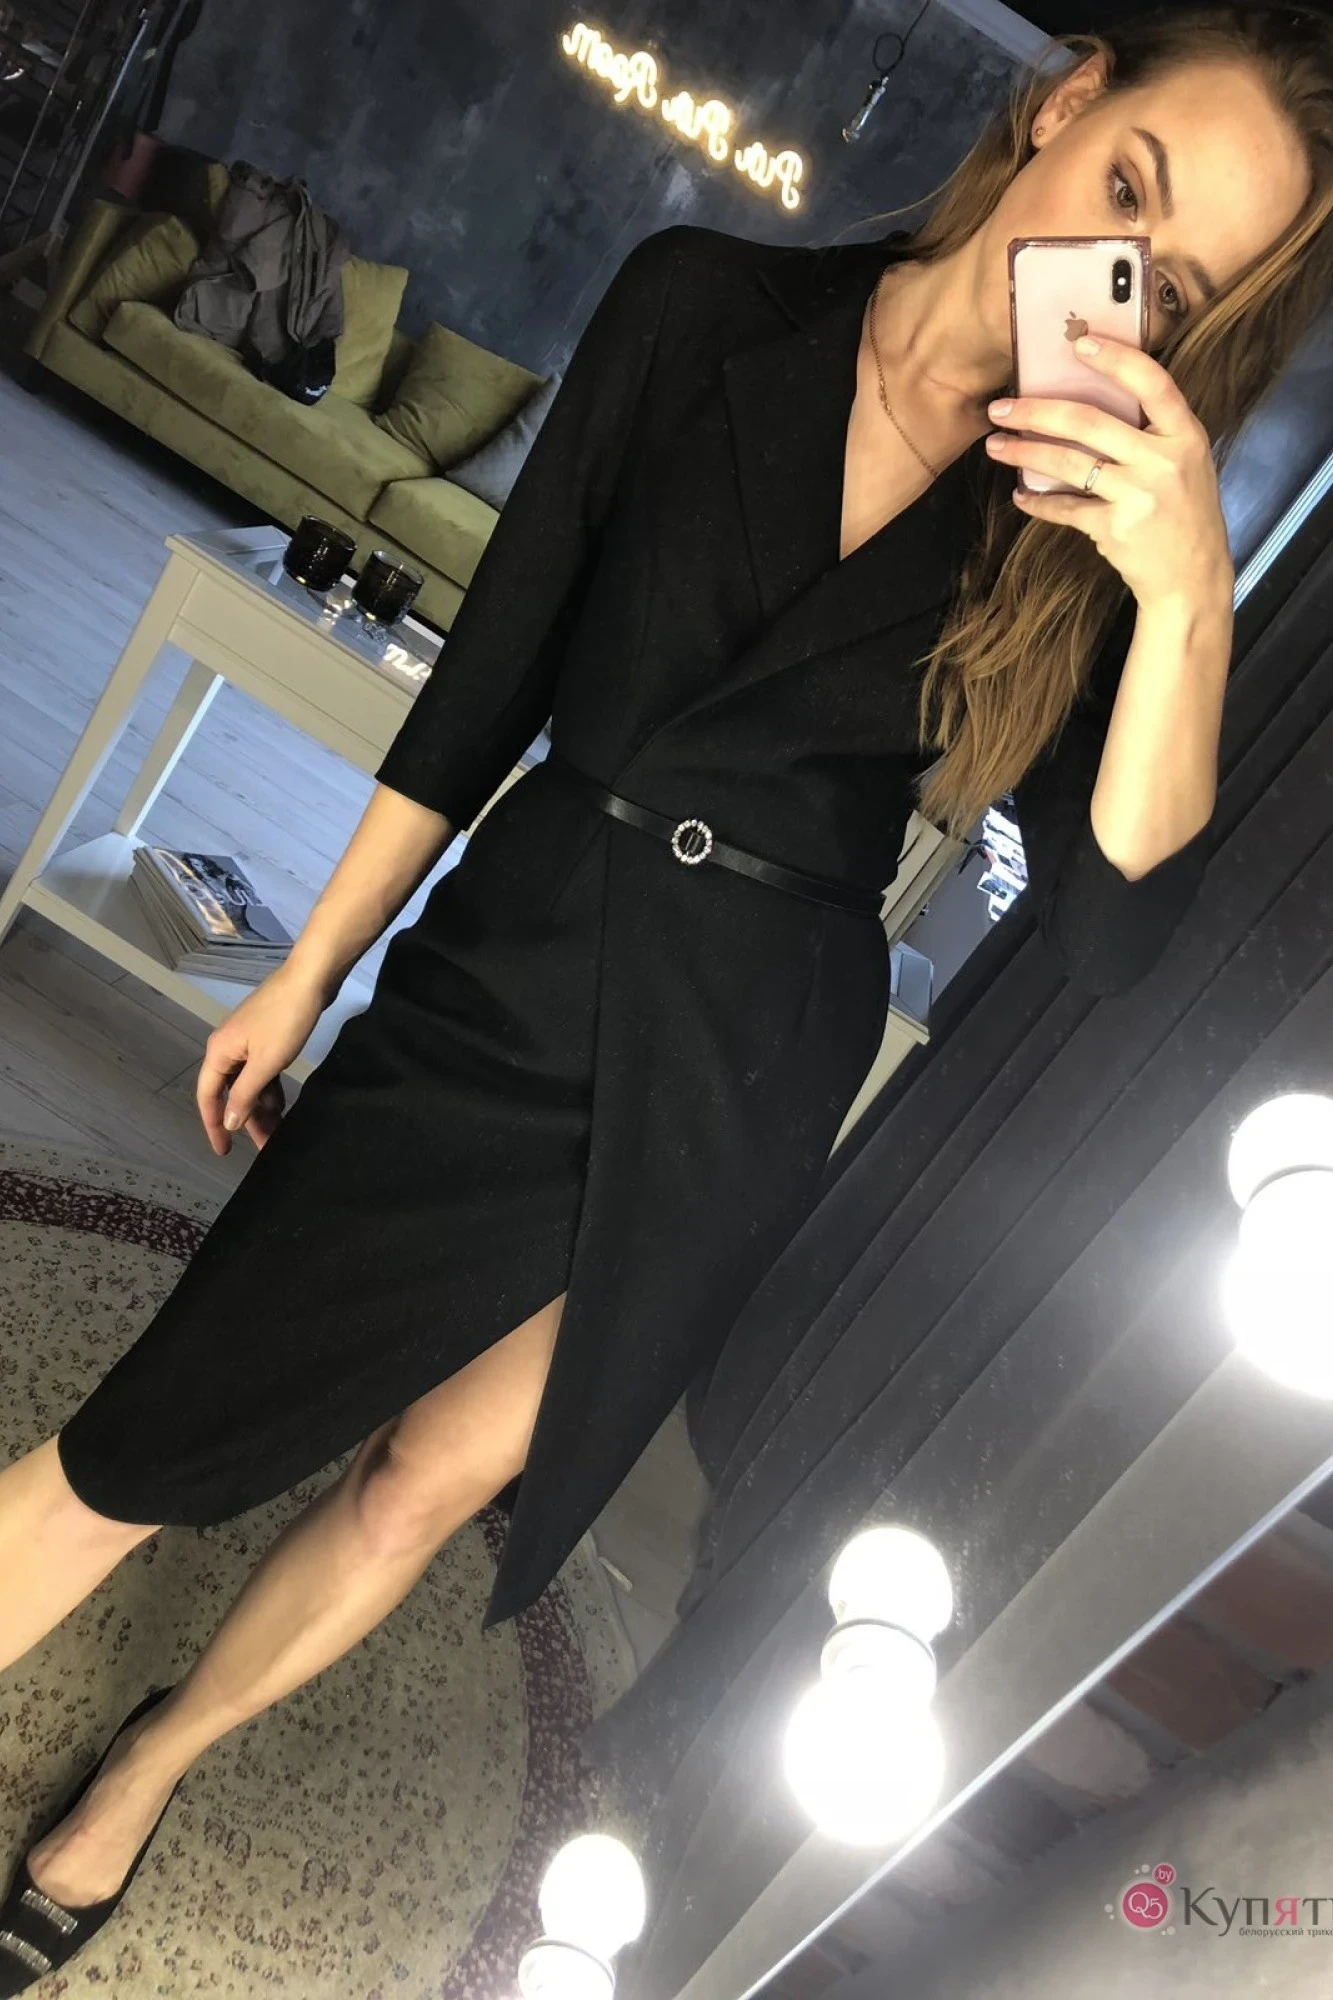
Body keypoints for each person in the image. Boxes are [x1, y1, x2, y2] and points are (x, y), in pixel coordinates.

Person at [3, 3, 1332, 1988]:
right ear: (1066, 103)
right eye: (1130, 182)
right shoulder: (707, 305)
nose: (1117, 266)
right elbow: (494, 671)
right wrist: (311, 964)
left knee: (419, 1490)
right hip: (519, 973)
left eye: (1181, 282)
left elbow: (1116, 931)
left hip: (739, 1081)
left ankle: (144, 1769)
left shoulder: (1069, 547)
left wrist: (1190, 598)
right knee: (148, 1444)